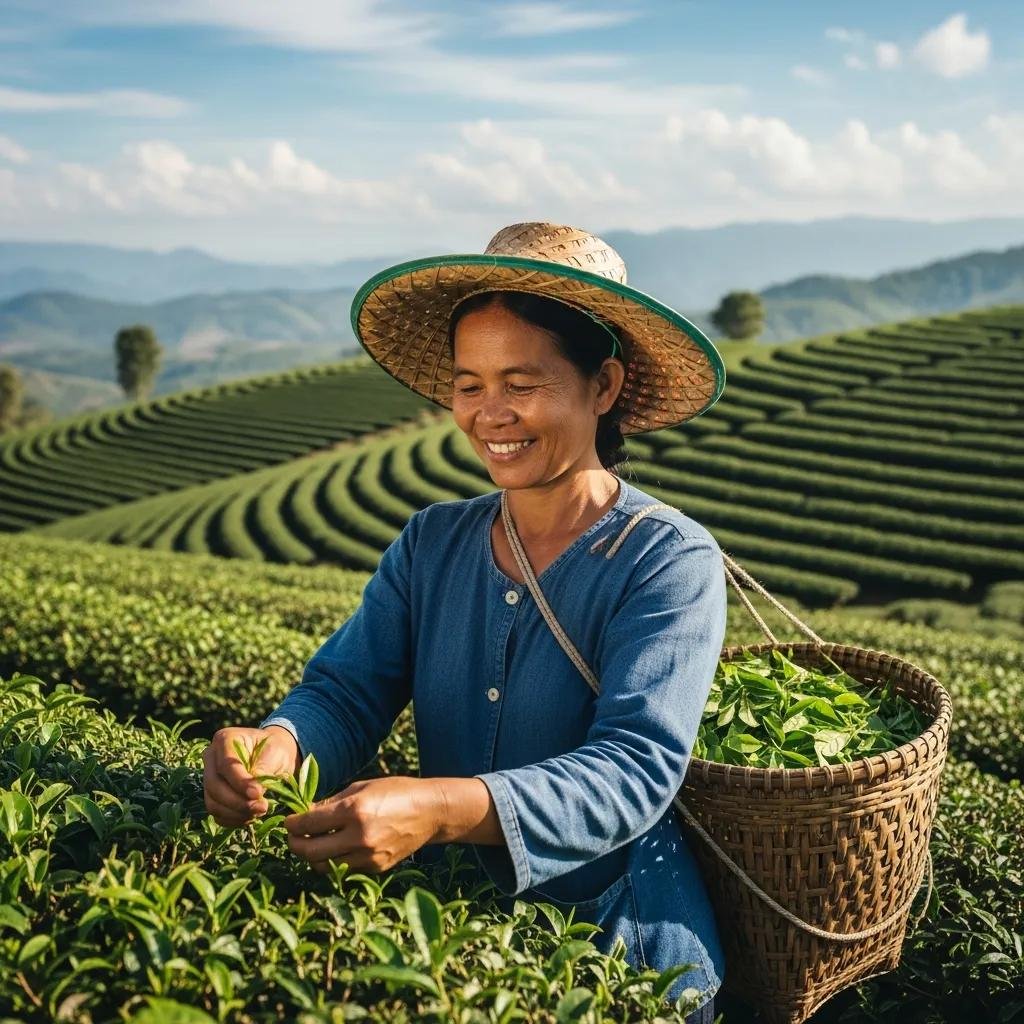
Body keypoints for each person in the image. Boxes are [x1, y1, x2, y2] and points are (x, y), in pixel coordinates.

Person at [202, 222, 727, 1021]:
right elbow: (347, 692)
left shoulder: (666, 560)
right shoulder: (433, 541)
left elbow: (635, 768)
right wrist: (277, 746)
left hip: (623, 963)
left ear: (605, 385)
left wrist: (441, 807)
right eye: (469, 384)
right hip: (459, 950)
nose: (491, 415)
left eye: (522, 383)